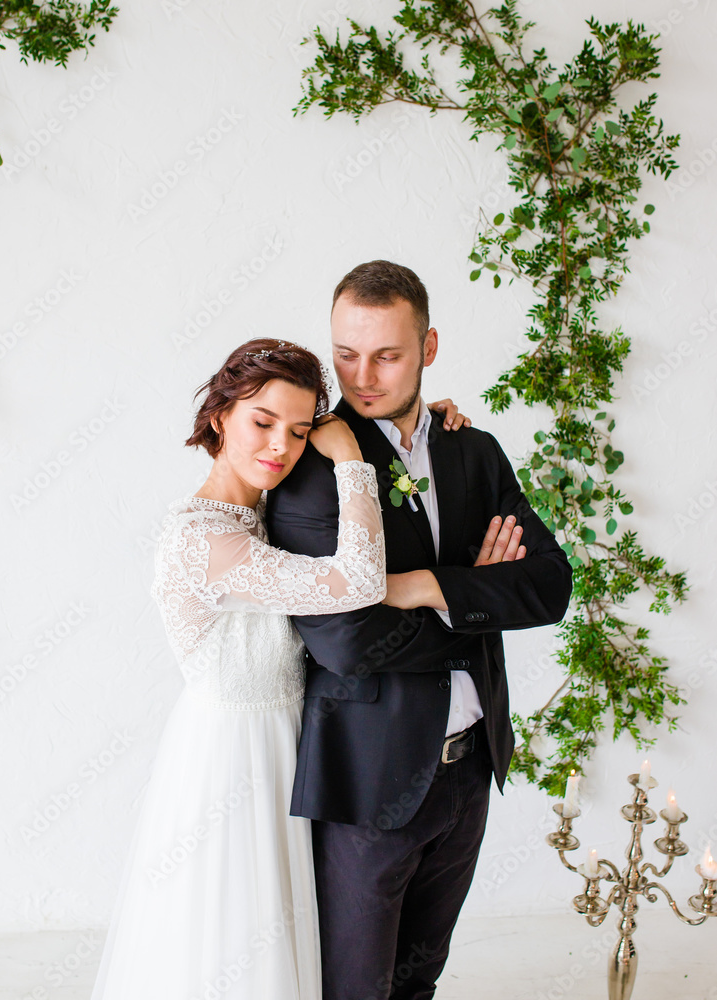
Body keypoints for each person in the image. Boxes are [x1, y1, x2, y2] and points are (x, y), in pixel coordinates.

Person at [89, 337, 467, 1000]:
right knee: (233, 943)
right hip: (233, 759)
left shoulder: (256, 508)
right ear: (218, 417)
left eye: (297, 432)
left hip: (294, 743)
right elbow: (354, 581)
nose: (280, 448)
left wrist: (413, 428)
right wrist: (351, 455)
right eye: (262, 424)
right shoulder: (202, 539)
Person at [265, 261, 574, 1000]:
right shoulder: (314, 469)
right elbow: (345, 640)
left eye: (387, 354)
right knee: (355, 990)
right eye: (346, 352)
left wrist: (428, 588)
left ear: (428, 347)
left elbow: (548, 586)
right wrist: (480, 601)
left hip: (468, 772)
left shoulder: (474, 451)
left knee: (419, 983)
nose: (361, 375)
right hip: (369, 785)